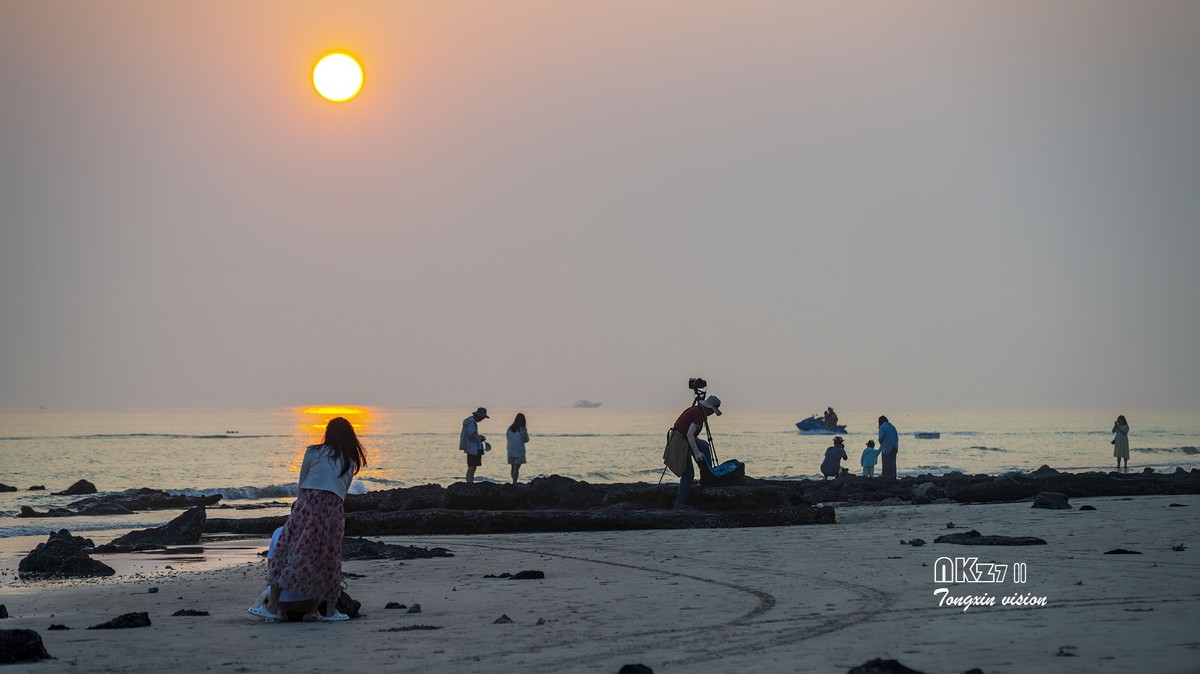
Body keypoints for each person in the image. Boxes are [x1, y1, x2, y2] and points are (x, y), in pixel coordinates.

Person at [259, 417, 366, 622]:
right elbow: (341, 492)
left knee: (286, 547)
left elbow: (302, 485)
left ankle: (272, 606)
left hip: (307, 503)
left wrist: (300, 509)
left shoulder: (313, 451)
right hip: (332, 509)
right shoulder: (349, 461)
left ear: (328, 433)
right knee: (329, 556)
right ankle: (328, 611)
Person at [249, 525, 320, 621]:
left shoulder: (279, 531)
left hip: (279, 602)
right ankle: (312, 611)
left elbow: (271, 567)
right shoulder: (316, 532)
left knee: (276, 574)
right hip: (307, 602)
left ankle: (280, 612)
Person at [670, 395, 723, 509]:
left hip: (681, 438)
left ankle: (707, 477)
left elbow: (687, 432)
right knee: (688, 473)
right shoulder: (699, 414)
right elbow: (689, 434)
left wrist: (698, 442)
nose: (712, 414)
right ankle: (680, 504)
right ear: (709, 409)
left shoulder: (696, 410)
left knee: (704, 445)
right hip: (680, 442)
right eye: (713, 411)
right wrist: (697, 452)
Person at [460, 407, 489, 483]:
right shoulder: (472, 423)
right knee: (472, 466)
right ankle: (470, 482)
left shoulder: (469, 422)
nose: (482, 419)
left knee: (470, 466)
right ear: (478, 416)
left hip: (469, 447)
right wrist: (480, 438)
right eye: (482, 417)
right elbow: (472, 435)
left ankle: (469, 481)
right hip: (473, 447)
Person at [506, 412, 530, 484]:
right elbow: (526, 440)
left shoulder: (510, 428)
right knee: (516, 467)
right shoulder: (522, 429)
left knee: (512, 467)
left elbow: (507, 437)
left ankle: (513, 481)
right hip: (519, 450)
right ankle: (514, 482)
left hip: (510, 449)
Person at [878, 415, 899, 480]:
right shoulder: (892, 427)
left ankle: (886, 478)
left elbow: (881, 437)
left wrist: (880, 441)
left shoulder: (882, 427)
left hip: (887, 447)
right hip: (894, 446)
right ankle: (893, 477)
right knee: (893, 463)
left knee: (886, 464)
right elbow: (897, 437)